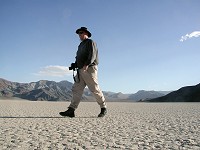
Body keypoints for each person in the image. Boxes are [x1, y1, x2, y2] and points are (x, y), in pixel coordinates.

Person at [59, 27, 107, 118]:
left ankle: (103, 108)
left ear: (86, 34)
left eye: (81, 33)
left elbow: (92, 54)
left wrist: (87, 64)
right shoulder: (80, 45)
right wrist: (75, 64)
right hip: (81, 70)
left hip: (89, 69)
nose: (79, 35)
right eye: (78, 33)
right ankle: (71, 110)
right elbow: (79, 57)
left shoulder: (90, 42)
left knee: (94, 89)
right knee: (76, 89)